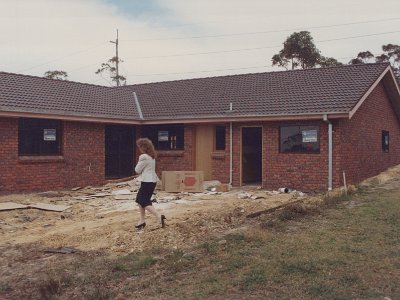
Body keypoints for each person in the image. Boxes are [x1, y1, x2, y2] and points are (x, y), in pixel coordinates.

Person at [134, 138, 166, 230]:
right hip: (152, 181)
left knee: (143, 201)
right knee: (140, 200)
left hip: (146, 181)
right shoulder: (152, 156)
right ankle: (142, 221)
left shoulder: (143, 157)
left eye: (140, 147)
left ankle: (159, 216)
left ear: (143, 147)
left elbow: (137, 170)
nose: (139, 149)